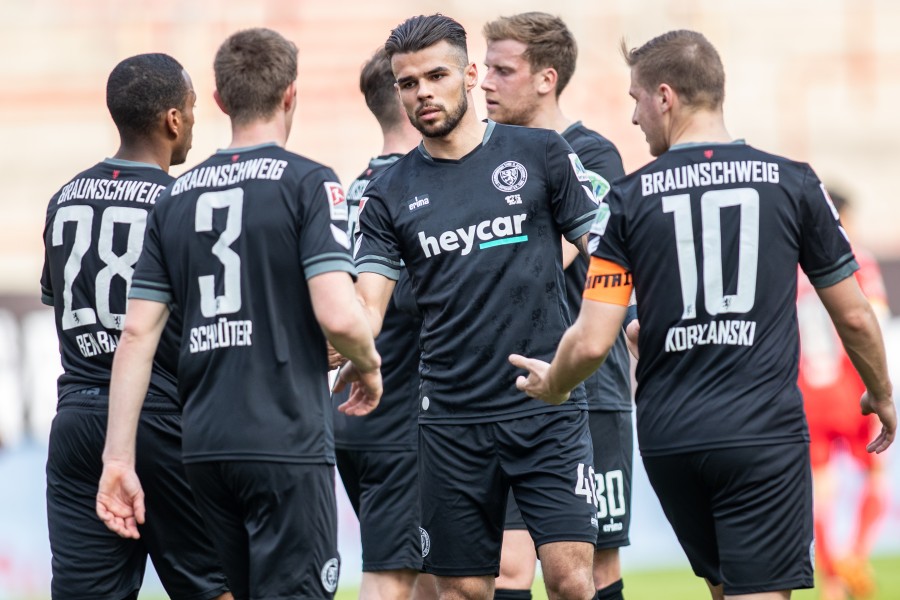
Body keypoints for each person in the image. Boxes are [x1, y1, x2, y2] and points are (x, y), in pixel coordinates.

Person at [510, 29, 896, 600]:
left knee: (720, 588)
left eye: (636, 99)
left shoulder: (629, 199)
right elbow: (858, 317)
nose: (635, 118)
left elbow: (593, 341)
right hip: (762, 432)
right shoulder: (793, 182)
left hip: (673, 439)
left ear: (665, 97)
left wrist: (555, 382)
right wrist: (881, 391)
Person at [95, 28, 382, 600]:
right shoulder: (309, 181)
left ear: (221, 101)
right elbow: (341, 316)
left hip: (202, 446)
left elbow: (136, 332)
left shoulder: (173, 198)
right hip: (283, 438)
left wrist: (118, 459)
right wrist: (368, 365)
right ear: (291, 94)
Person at [340, 13, 601, 600]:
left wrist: (600, 332)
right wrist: (357, 350)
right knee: (464, 591)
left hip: (547, 403)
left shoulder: (540, 154)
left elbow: (604, 248)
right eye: (408, 83)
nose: (423, 93)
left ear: (470, 74)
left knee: (571, 580)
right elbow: (370, 302)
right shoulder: (389, 192)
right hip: (450, 418)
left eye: (436, 75)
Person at [40, 53, 231, 600]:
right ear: (174, 119)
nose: (194, 121)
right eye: (193, 108)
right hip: (160, 418)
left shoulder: (65, 198)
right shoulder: (182, 202)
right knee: (216, 587)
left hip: (76, 421)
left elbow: (58, 300)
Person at [481, 13, 632, 600]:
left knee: (587, 572)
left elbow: (554, 256)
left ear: (546, 78)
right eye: (485, 68)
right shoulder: (487, 159)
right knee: (508, 568)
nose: (485, 82)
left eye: (502, 69)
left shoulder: (593, 156)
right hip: (512, 388)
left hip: (590, 387)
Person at [332, 46, 424, 600]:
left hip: (349, 414)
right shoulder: (417, 191)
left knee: (430, 572)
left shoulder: (347, 191)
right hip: (401, 409)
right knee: (390, 575)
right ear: (408, 97)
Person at [796, 189, 891, 600]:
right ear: (841, 217)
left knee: (821, 490)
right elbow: (872, 321)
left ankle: (833, 579)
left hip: (805, 392)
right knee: (876, 478)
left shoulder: (790, 265)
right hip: (852, 386)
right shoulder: (858, 258)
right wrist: (881, 388)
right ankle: (853, 556)